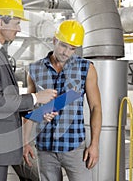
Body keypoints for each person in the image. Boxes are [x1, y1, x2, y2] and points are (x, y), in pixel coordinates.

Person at [0, 0, 57, 181]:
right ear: (1, 23)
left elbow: (7, 99)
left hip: (0, 145)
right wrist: (36, 97)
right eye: (16, 22)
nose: (19, 28)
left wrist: (35, 111)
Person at [23, 20, 102, 181]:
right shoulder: (34, 69)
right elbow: (29, 109)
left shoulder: (86, 68)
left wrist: (94, 144)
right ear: (54, 40)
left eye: (72, 48)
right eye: (63, 45)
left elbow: (96, 108)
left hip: (74, 146)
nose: (66, 52)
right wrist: (25, 141)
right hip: (45, 147)